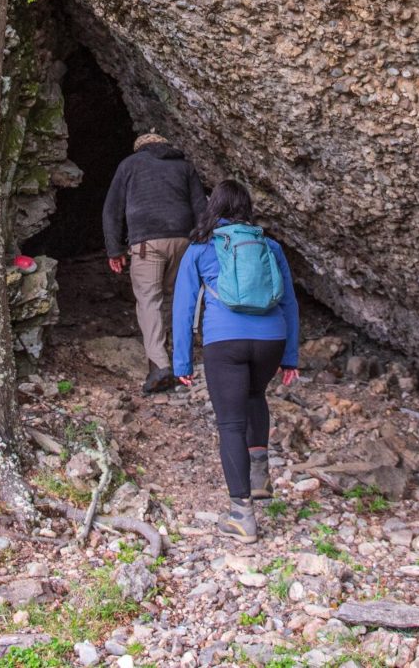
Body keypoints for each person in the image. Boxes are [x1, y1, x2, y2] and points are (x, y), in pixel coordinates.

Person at [172, 179, 300, 543]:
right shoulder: (269, 246)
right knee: (255, 394)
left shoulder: (200, 248)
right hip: (271, 339)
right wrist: (290, 356)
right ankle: (259, 475)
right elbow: (289, 302)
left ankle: (242, 516)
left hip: (225, 341)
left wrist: (181, 363)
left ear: (214, 207)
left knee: (230, 424)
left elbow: (182, 308)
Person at [103, 131, 208, 394]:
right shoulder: (184, 167)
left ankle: (160, 365)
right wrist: (203, 244)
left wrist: (115, 250)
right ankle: (182, 360)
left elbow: (112, 209)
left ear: (140, 149)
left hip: (146, 243)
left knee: (149, 300)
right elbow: (201, 207)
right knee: (180, 299)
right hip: (183, 241)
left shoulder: (130, 165)